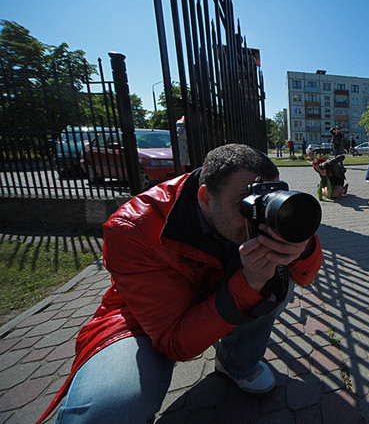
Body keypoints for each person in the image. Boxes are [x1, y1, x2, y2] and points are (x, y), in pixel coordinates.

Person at [39, 144, 323, 424]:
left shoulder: (246, 214)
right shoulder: (133, 227)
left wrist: (304, 246)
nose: (257, 213)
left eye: (265, 199)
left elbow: (305, 275)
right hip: (144, 321)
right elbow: (176, 342)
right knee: (110, 411)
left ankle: (236, 363)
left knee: (277, 286)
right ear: (204, 198)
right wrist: (249, 282)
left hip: (222, 289)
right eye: (245, 203)